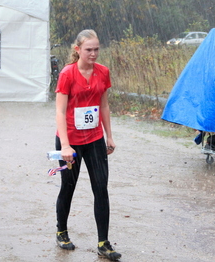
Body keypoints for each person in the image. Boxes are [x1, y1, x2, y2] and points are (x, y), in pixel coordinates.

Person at [54, 29, 121, 261]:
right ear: (78, 50)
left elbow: (103, 106)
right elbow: (60, 111)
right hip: (70, 141)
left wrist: (109, 135)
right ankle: (61, 231)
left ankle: (103, 242)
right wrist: (65, 145)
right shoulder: (67, 74)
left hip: (94, 139)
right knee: (68, 186)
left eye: (96, 49)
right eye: (88, 50)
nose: (93, 54)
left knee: (101, 189)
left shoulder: (103, 72)